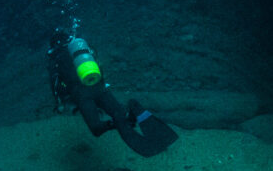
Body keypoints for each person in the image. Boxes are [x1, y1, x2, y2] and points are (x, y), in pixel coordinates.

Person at [47, 29, 178, 157]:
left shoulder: (56, 59)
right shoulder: (82, 50)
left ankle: (117, 121)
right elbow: (99, 66)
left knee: (96, 129)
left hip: (82, 96)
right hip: (100, 88)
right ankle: (130, 111)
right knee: (120, 114)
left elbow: (56, 84)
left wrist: (60, 101)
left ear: (54, 45)